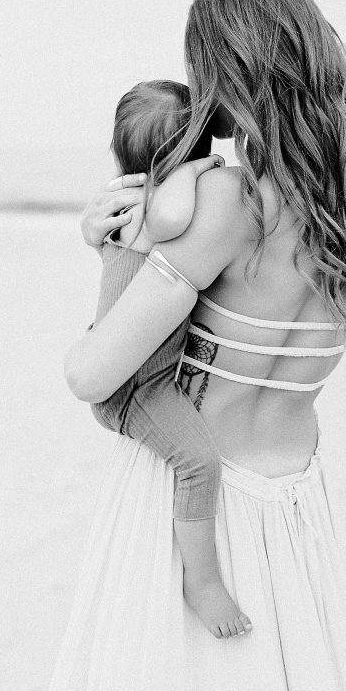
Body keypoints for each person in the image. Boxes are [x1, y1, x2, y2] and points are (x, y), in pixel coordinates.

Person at [20, 0, 346, 691]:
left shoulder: (226, 200)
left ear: (230, 72)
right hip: (293, 498)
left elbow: (93, 374)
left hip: (195, 503)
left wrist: (112, 247)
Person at [89, 77, 253, 639]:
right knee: (197, 464)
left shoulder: (126, 199)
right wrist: (198, 170)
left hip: (135, 364)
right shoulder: (159, 203)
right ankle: (202, 582)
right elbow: (169, 221)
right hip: (136, 387)